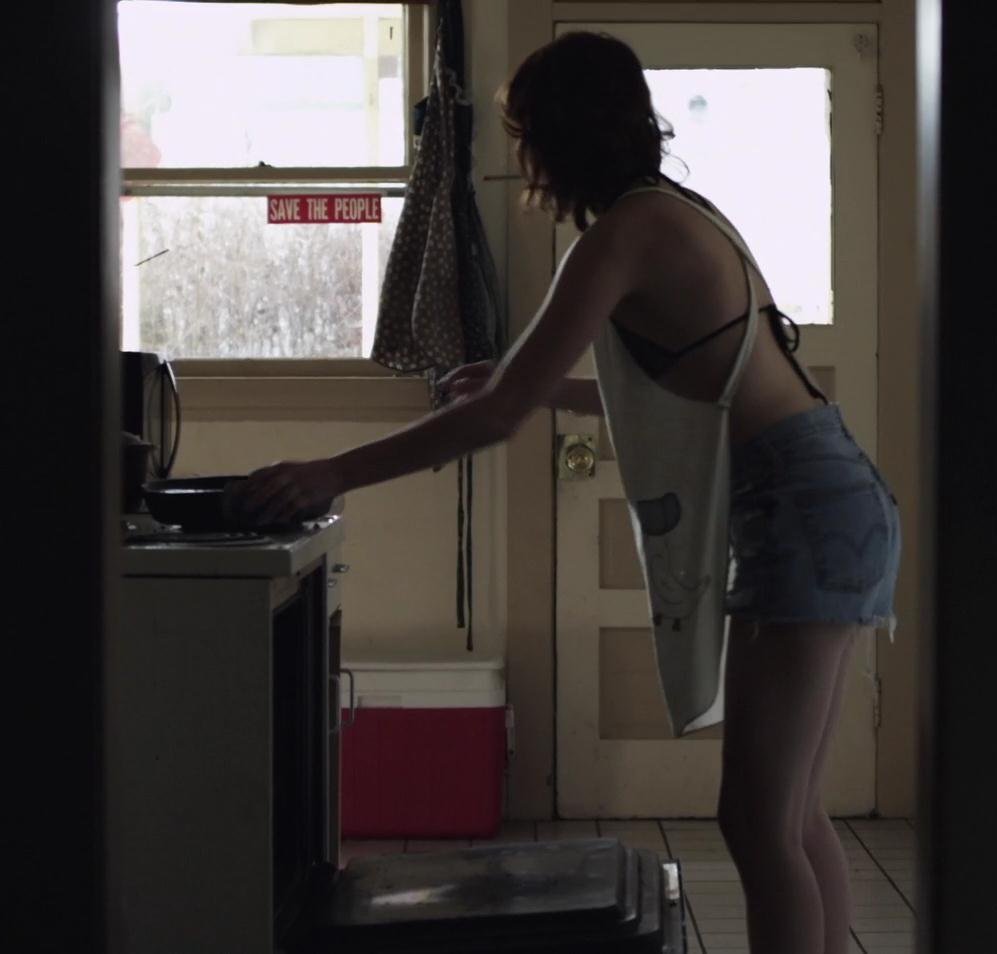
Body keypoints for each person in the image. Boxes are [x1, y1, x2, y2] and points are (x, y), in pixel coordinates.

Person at [231, 31, 899, 954]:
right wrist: (538, 389)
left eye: (526, 135)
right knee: (792, 813)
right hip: (826, 492)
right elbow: (696, 385)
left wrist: (331, 472)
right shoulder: (672, 211)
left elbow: (496, 416)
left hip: (801, 504)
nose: (524, 159)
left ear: (560, 135)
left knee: (758, 819)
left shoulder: (622, 235)